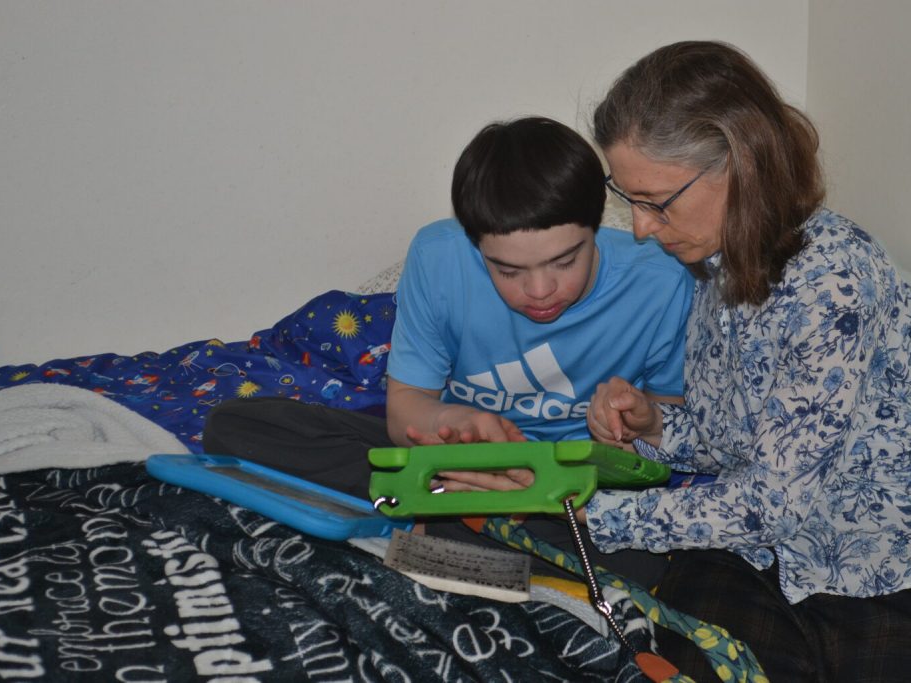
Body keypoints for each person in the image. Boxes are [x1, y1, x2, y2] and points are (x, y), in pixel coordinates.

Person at [440, 42, 911, 682]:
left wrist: (582, 511)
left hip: (896, 566)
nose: (643, 229)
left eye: (655, 201)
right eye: (630, 200)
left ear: (739, 163)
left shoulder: (833, 280)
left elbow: (774, 500)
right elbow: (730, 441)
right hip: (758, 559)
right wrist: (653, 426)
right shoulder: (717, 270)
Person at [203, 115, 695, 586]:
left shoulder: (661, 280)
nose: (540, 290)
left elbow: (672, 433)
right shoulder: (438, 257)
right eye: (507, 271)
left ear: (597, 227)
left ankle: (428, 529)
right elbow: (406, 411)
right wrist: (452, 425)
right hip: (447, 471)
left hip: (571, 488)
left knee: (647, 562)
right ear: (475, 243)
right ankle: (465, 532)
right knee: (237, 426)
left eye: (565, 261)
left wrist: (632, 422)